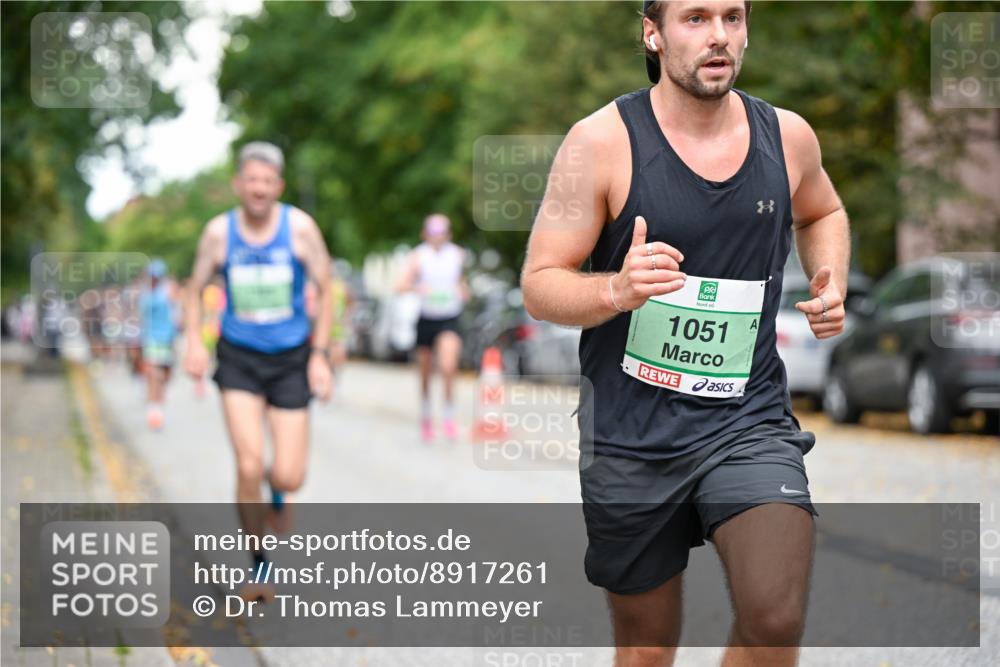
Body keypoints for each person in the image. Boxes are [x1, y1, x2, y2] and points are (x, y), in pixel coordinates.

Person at [521, 2, 850, 665]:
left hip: (747, 421)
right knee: (646, 650)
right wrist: (616, 287)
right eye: (695, 18)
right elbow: (539, 281)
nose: (719, 35)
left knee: (775, 614)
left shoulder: (787, 137)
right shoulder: (600, 142)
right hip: (631, 436)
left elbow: (824, 210)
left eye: (732, 16)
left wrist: (829, 278)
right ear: (653, 33)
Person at [183, 141, 334, 599]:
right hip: (239, 358)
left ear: (278, 187)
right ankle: (259, 565)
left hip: (291, 357)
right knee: (249, 464)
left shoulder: (301, 229)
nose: (259, 189)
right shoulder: (218, 233)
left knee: (287, 474)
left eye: (267, 182)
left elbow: (327, 290)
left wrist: (320, 354)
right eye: (251, 180)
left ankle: (279, 495)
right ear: (238, 184)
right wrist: (193, 340)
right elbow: (193, 290)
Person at [397, 214, 469, 442]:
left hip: (450, 316)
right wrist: (418, 288)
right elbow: (400, 284)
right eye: (433, 233)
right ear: (425, 234)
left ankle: (449, 416)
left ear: (448, 234)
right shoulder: (418, 256)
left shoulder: (457, 255)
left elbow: (462, 283)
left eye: (441, 233)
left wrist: (463, 292)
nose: (437, 237)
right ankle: (427, 415)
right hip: (427, 318)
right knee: (426, 372)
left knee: (448, 366)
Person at [139, 259, 178, 430]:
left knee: (167, 375)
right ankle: (154, 410)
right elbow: (142, 317)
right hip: (152, 339)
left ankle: (158, 400)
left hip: (168, 339)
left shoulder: (168, 291)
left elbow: (176, 313)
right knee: (154, 374)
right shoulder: (146, 295)